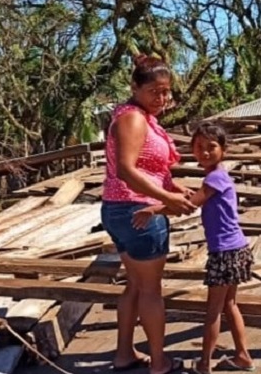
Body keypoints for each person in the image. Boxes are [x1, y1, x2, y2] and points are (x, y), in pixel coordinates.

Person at [101, 54, 196, 374]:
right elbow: (128, 171)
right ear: (135, 87)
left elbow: (148, 168)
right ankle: (159, 362)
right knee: (151, 291)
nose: (163, 98)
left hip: (122, 209)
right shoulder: (133, 119)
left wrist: (174, 187)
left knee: (134, 286)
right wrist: (166, 197)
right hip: (137, 211)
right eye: (155, 91)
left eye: (167, 91)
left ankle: (124, 354)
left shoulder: (139, 117)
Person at [133, 122, 255, 373]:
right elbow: (194, 198)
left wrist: (154, 209)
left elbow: (190, 205)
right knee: (229, 306)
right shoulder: (214, 177)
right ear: (192, 150)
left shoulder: (216, 177)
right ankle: (243, 356)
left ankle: (204, 365)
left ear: (224, 149)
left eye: (211, 147)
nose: (205, 152)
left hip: (225, 252)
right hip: (236, 248)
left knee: (213, 312)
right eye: (199, 147)